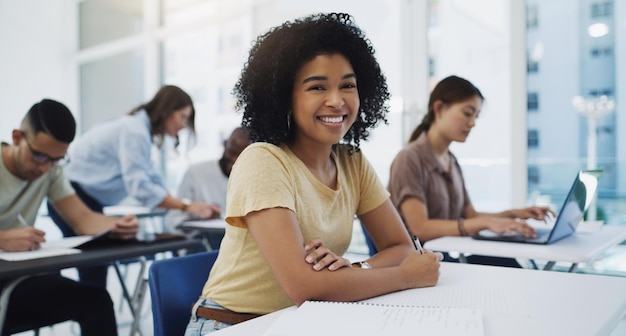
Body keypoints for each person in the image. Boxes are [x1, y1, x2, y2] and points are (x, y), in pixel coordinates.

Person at [184, 13, 442, 335]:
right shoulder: (262, 160)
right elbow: (304, 287)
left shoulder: (353, 162)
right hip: (232, 325)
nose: (337, 101)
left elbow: (400, 247)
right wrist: (406, 276)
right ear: (285, 98)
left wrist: (353, 269)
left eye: (347, 85)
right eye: (317, 87)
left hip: (302, 322)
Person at [47, 85, 221, 289]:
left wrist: (187, 205)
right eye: (182, 117)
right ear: (166, 110)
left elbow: (152, 181)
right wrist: (186, 206)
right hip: (71, 195)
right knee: (93, 267)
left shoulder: (140, 131)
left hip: (88, 197)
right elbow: (140, 186)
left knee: (96, 265)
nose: (184, 125)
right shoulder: (134, 131)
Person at [0, 98, 139, 336]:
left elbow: (83, 218)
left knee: (96, 300)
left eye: (57, 159)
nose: (45, 168)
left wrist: (118, 225)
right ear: (17, 138)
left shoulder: (51, 170)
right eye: (40, 157)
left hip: (14, 280)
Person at [387, 75, 554, 267]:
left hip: (444, 258)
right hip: (418, 264)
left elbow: (470, 216)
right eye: (468, 113)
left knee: (506, 263)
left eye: (476, 116)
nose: (473, 122)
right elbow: (420, 227)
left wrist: (514, 214)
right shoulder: (409, 159)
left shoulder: (451, 160)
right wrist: (485, 224)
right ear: (439, 108)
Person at [166, 126, 251, 248]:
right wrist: (198, 215)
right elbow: (173, 221)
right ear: (225, 145)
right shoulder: (196, 173)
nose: (234, 160)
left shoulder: (255, 180)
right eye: (232, 152)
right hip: (204, 244)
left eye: (242, 157)